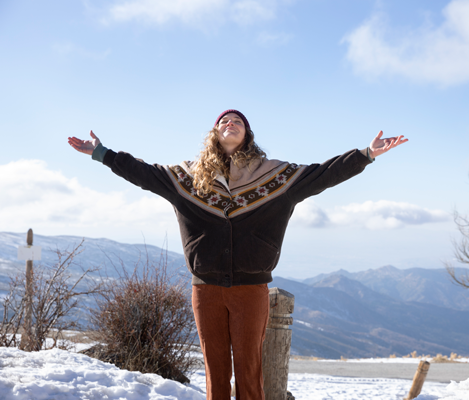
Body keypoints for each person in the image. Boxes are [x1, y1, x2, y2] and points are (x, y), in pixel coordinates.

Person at [67, 109, 408, 400]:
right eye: (224, 120)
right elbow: (142, 172)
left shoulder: (276, 177)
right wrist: (103, 154)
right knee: (215, 373)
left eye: (237, 121)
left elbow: (325, 173)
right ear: (214, 132)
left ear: (247, 134)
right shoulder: (187, 178)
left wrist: (366, 154)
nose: (230, 122)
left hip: (250, 289)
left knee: (249, 372)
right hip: (206, 289)